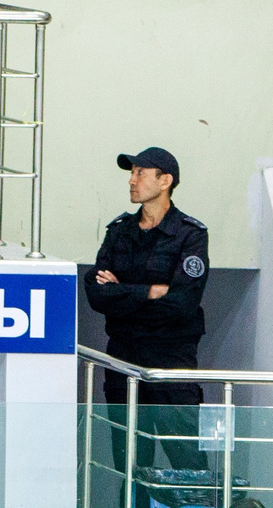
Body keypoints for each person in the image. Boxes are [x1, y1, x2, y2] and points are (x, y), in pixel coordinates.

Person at [89, 146, 209, 473]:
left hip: (171, 363)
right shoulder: (119, 231)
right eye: (132, 173)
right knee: (129, 467)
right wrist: (150, 292)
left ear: (165, 180)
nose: (132, 180)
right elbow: (97, 294)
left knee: (188, 464)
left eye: (140, 172)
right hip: (122, 362)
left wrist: (123, 295)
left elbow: (182, 304)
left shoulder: (190, 235)